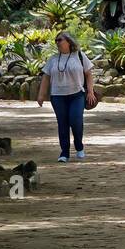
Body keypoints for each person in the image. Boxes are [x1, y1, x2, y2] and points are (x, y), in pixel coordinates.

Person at [36, 31, 97, 162]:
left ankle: (79, 146)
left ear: (68, 42)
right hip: (58, 96)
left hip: (77, 95)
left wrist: (90, 92)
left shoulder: (79, 56)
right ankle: (64, 153)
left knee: (76, 121)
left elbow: (88, 74)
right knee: (62, 124)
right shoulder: (53, 59)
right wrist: (41, 95)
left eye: (60, 40)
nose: (57, 43)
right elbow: (46, 78)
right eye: (56, 41)